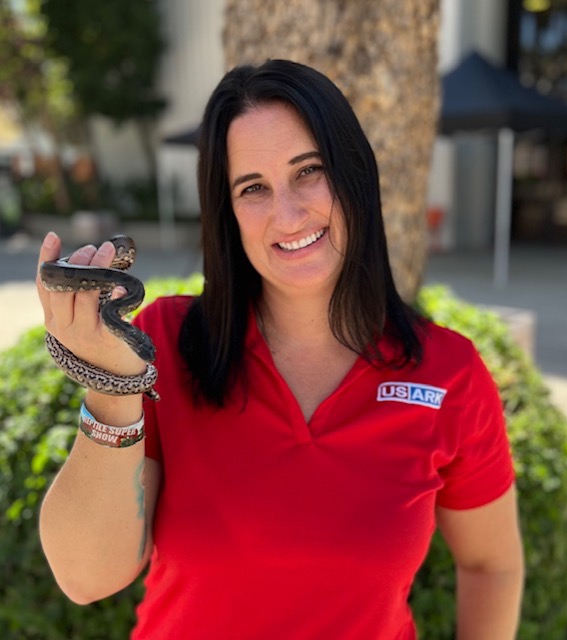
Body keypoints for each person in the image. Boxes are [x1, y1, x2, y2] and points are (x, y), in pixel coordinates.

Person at [37, 59, 524, 639]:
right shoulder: (166, 342)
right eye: (253, 188)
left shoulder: (448, 374)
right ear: (228, 212)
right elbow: (86, 577)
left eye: (308, 171)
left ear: (354, 174)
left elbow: (492, 565)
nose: (287, 214)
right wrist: (111, 384)